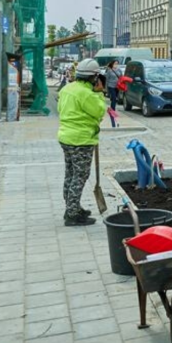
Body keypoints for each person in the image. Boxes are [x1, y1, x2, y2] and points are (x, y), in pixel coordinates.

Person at [56, 59, 107, 226]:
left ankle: (72, 207)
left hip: (66, 137)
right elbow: (99, 111)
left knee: (70, 174)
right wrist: (100, 93)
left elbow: (60, 110)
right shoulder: (86, 94)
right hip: (81, 140)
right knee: (80, 176)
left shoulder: (67, 89)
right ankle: (72, 215)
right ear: (94, 77)